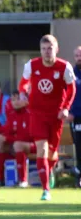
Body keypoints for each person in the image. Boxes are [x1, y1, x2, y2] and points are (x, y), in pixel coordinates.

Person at [19, 34, 76, 201]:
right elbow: (23, 83)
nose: (46, 52)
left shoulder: (64, 67)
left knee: (52, 154)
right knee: (42, 149)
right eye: (43, 49)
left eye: (49, 48)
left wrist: (65, 108)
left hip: (56, 115)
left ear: (56, 49)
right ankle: (46, 190)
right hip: (36, 114)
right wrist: (23, 93)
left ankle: (49, 171)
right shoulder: (31, 65)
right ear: (40, 50)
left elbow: (71, 90)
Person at [5, 91, 35, 187]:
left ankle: (23, 180)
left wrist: (16, 139)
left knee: (18, 145)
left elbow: (31, 135)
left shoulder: (30, 113)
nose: (15, 102)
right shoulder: (11, 114)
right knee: (1, 141)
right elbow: (7, 133)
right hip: (20, 145)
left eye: (18, 99)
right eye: (13, 100)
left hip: (36, 145)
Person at [68, 46, 81, 187]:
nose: (79, 57)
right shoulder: (71, 73)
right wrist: (69, 110)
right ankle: (79, 177)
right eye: (77, 55)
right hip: (76, 117)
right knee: (79, 148)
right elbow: (66, 95)